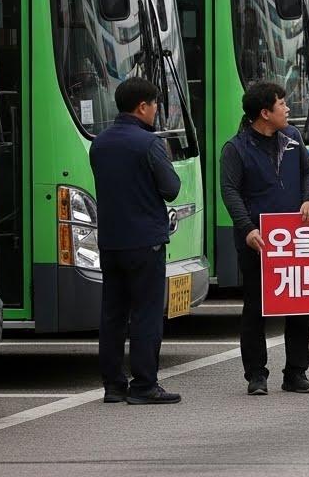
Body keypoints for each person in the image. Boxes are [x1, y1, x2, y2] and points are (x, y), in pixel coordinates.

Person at [219, 81, 309, 395]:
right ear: (265, 113)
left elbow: (308, 172)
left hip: (294, 238)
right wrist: (247, 228)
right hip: (257, 241)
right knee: (256, 307)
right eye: (282, 104)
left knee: (299, 306)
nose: (287, 109)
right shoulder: (235, 148)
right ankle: (256, 375)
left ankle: (296, 373)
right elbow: (230, 192)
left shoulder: (293, 138)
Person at [89, 77, 182, 405]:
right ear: (142, 106)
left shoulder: (99, 143)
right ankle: (144, 385)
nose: (156, 110)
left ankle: (113, 386)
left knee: (112, 314)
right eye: (155, 104)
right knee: (145, 313)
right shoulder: (148, 143)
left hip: (111, 241)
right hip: (145, 242)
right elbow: (171, 188)